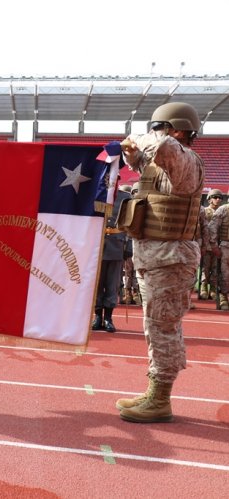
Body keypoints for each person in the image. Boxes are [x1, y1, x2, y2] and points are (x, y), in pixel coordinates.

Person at [116, 102, 204, 423]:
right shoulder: (166, 164)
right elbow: (146, 162)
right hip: (156, 260)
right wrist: (131, 154)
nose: (157, 134)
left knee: (162, 327)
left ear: (177, 130)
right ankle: (155, 389)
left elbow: (163, 147)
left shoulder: (186, 160)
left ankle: (160, 399)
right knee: (156, 326)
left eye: (159, 127)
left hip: (170, 261)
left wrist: (141, 136)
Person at [92, 185, 130, 332]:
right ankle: (97, 317)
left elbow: (130, 224)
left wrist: (129, 247)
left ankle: (108, 317)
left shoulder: (125, 198)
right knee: (97, 284)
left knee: (112, 284)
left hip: (117, 244)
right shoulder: (96, 192)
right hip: (97, 244)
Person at [207, 192, 229, 310]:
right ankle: (223, 297)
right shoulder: (223, 209)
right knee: (225, 274)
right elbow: (212, 227)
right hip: (226, 246)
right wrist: (214, 245)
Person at [200, 188, 223, 300]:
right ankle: (203, 287)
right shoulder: (204, 211)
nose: (218, 199)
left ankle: (213, 289)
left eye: (219, 198)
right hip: (207, 244)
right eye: (215, 197)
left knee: (215, 268)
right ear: (209, 199)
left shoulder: (222, 211)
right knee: (205, 267)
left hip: (218, 245)